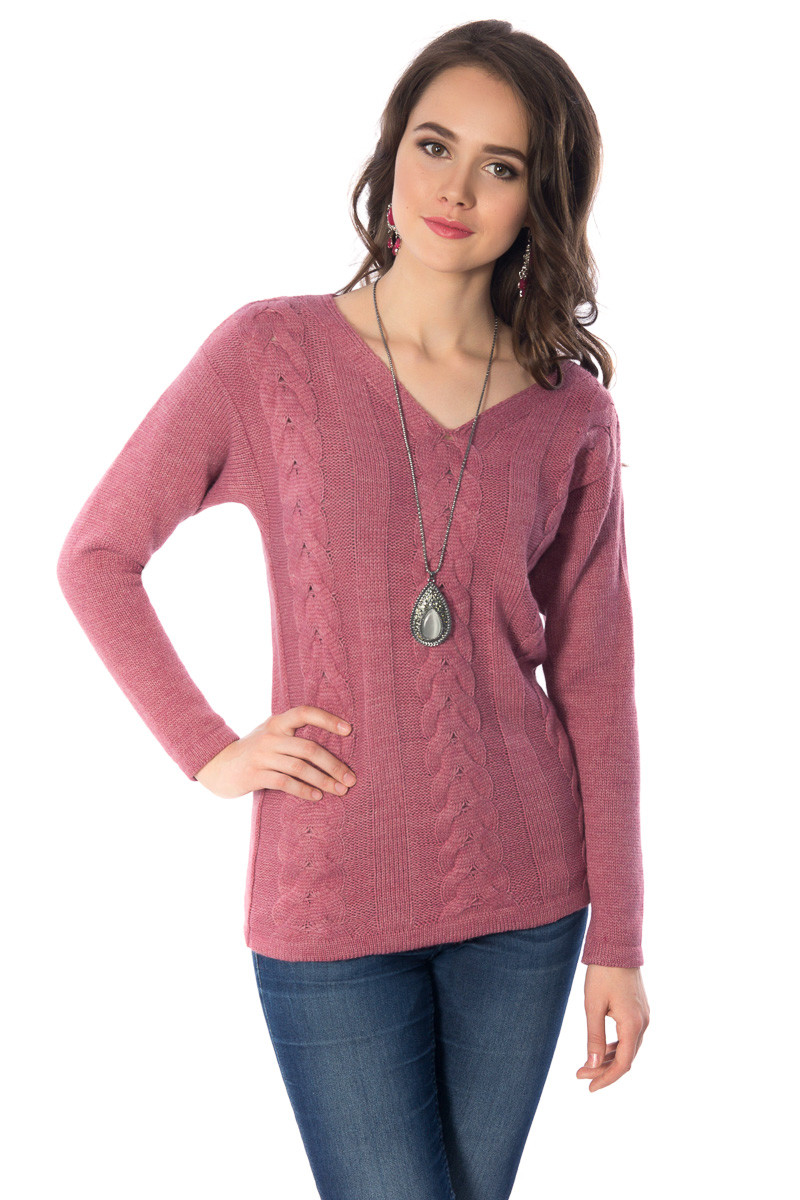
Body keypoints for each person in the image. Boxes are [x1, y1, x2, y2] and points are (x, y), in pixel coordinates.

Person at [56, 18, 649, 1200]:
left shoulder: (565, 412)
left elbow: (594, 677)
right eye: (434, 144)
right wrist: (209, 750)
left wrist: (618, 942)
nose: (454, 189)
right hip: (327, 897)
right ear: (390, 153)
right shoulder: (268, 354)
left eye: (499, 164)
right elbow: (98, 556)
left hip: (527, 901)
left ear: (538, 199)